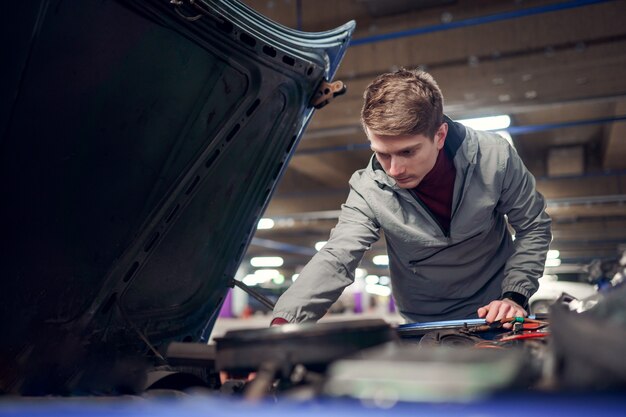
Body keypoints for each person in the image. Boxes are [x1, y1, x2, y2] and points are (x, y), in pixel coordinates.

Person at [271, 68, 552, 325]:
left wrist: (515, 295)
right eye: (381, 153)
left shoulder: (495, 158)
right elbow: (337, 256)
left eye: (408, 152)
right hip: (424, 322)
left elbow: (533, 226)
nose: (394, 169)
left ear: (439, 136)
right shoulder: (368, 189)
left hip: (497, 309)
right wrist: (283, 324)